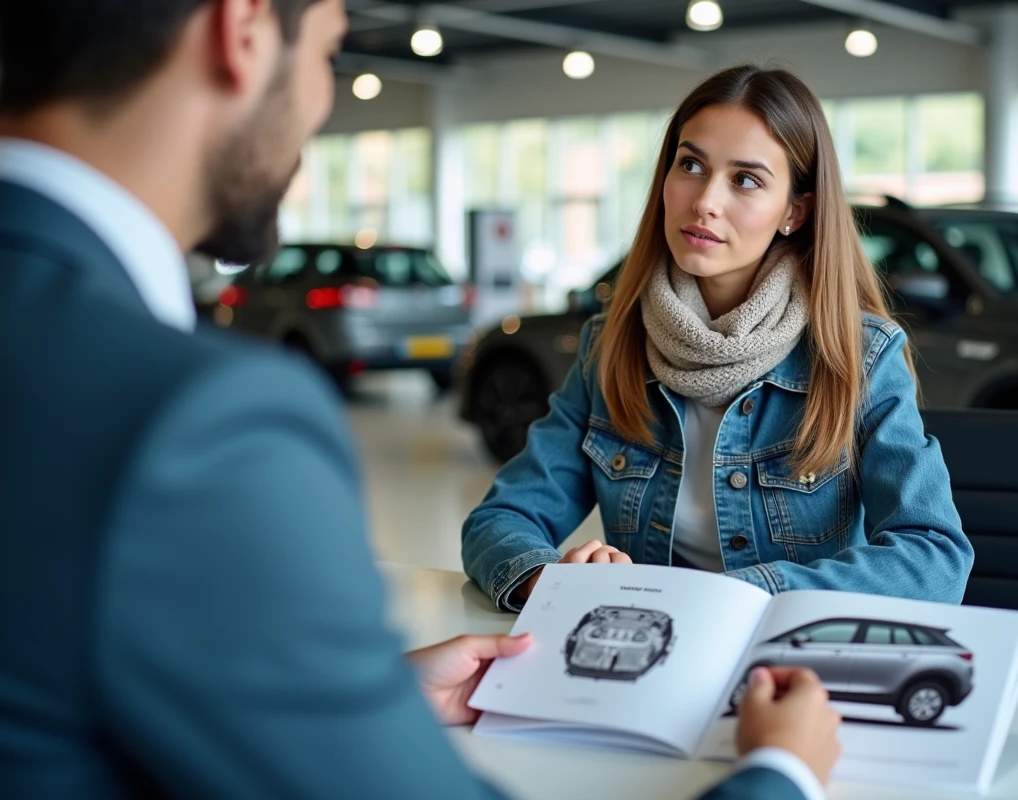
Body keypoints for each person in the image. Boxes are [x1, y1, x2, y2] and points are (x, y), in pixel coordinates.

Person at [0, 1, 842, 797]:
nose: (322, 103)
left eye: (748, 180)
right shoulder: (199, 421)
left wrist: (370, 700)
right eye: (331, 50)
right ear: (244, 28)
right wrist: (783, 774)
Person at [462, 65, 973, 611]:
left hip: (784, 665)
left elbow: (934, 558)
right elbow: (499, 520)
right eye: (691, 165)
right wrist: (548, 579)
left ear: (794, 212)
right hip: (645, 649)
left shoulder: (859, 355)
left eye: (746, 179)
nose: (705, 200)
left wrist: (745, 596)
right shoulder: (610, 345)